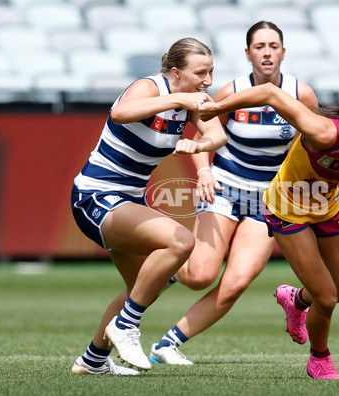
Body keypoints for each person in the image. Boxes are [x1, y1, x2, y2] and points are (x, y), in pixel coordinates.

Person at [198, 80, 339, 379]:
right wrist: (218, 107)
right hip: (286, 210)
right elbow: (270, 93)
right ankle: (319, 359)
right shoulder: (325, 132)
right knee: (326, 297)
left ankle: (296, 299)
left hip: (326, 208)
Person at [148, 21, 319, 365]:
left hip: (268, 201)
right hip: (224, 188)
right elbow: (203, 136)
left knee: (236, 282)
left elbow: (311, 146)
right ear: (248, 54)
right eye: (259, 46)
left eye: (273, 46)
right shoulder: (230, 92)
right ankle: (168, 267)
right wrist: (204, 171)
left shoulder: (302, 95)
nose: (267, 52)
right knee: (200, 276)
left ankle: (167, 344)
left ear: (283, 52)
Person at [69, 38, 227, 375]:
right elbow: (119, 113)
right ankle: (126, 327)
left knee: (144, 286)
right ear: (175, 72)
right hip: (95, 197)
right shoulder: (149, 86)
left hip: (128, 200)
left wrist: (200, 153)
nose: (208, 80)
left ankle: (93, 360)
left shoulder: (193, 101)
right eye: (201, 72)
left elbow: (217, 136)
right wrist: (177, 98)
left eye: (211, 71)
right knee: (182, 242)